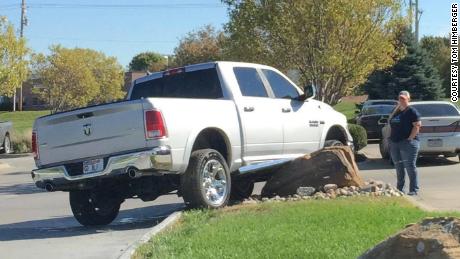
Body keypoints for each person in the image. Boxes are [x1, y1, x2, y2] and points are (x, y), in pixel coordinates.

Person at [388, 91, 421, 195]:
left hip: (408, 143)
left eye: (404, 98)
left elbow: (417, 126)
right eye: (400, 98)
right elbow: (390, 123)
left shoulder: (412, 111)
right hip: (394, 142)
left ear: (408, 99)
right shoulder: (396, 111)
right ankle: (400, 189)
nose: (401, 100)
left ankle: (413, 190)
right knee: (399, 166)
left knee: (410, 166)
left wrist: (410, 139)